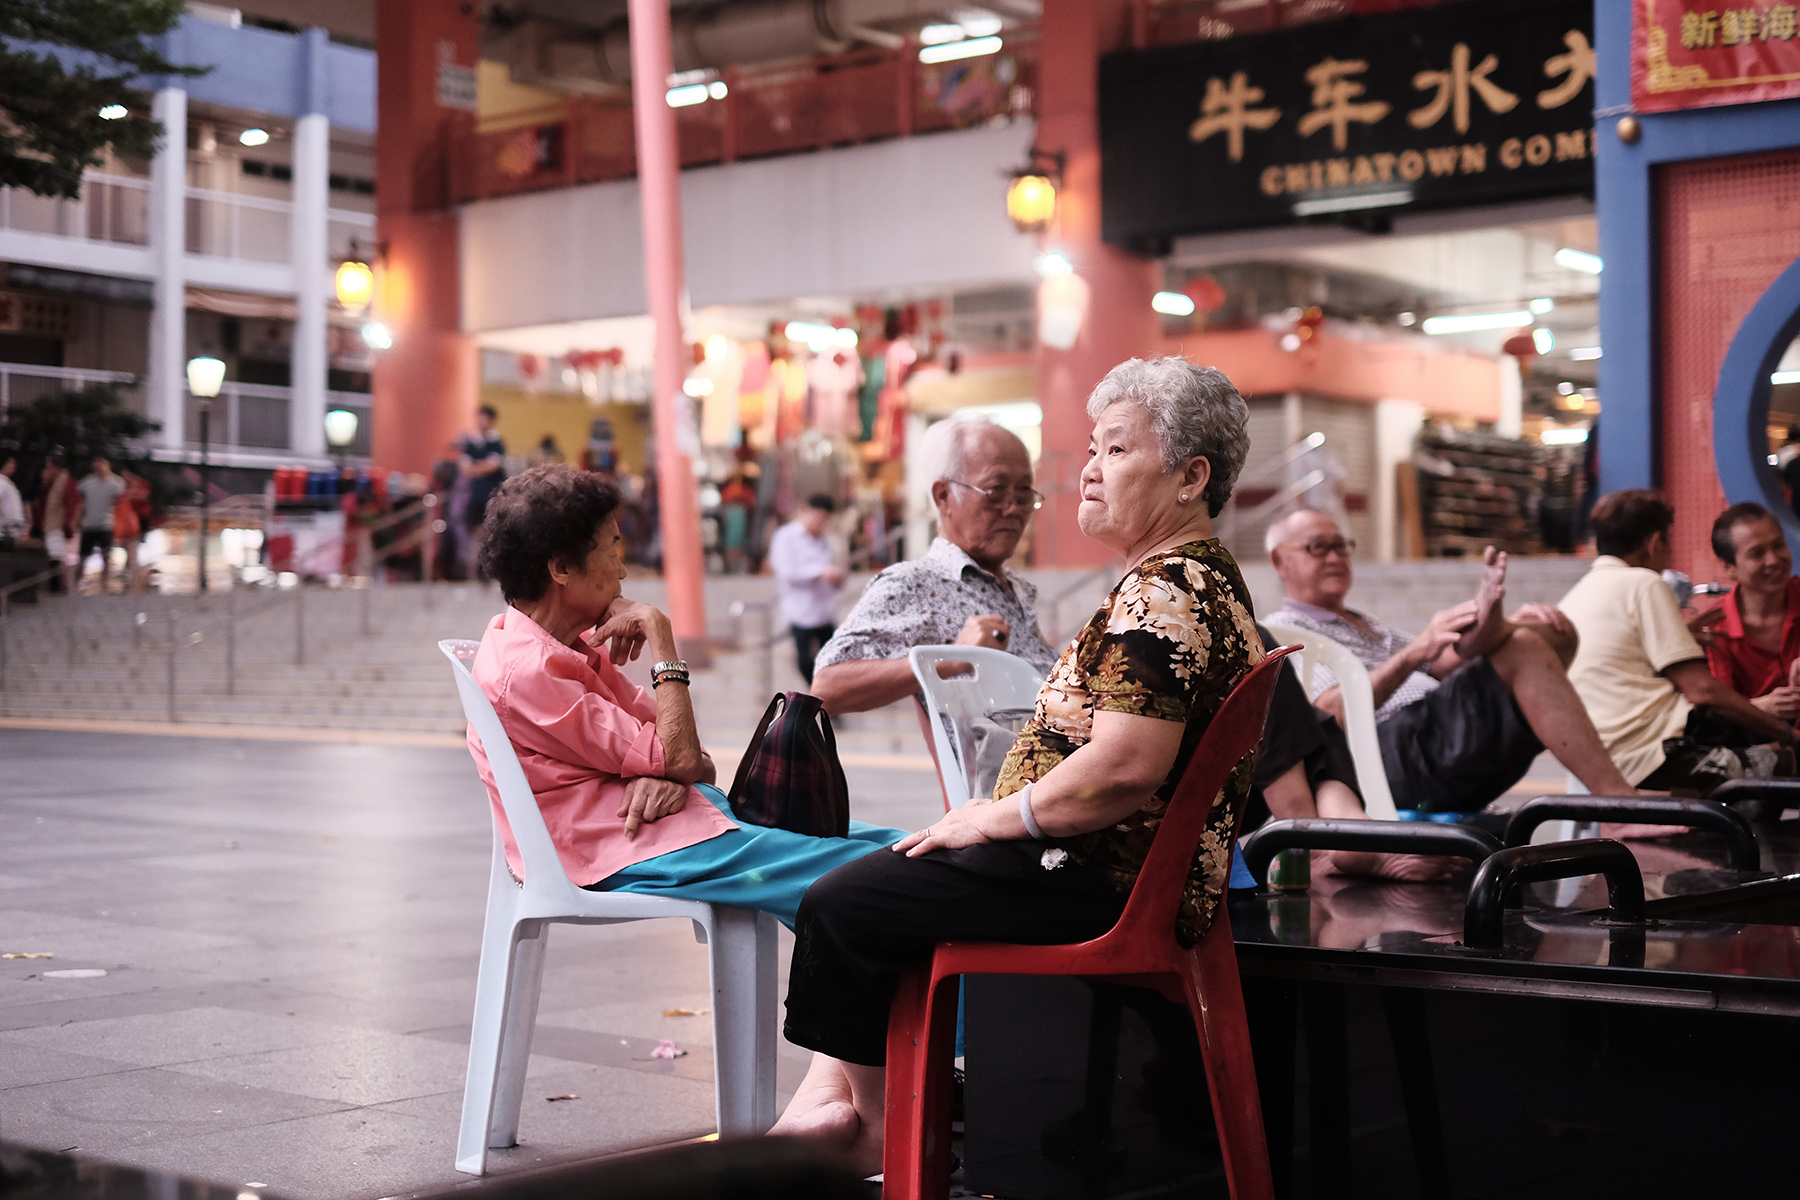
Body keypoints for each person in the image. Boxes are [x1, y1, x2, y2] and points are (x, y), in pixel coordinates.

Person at [769, 357, 1263, 1172]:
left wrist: (987, 817)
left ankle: (880, 1130)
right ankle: (844, 1107)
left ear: (1190, 477)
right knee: (882, 889)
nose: (1090, 471)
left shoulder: (1168, 589)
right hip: (1106, 862)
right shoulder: (1191, 581)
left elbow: (1121, 770)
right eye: (1093, 449)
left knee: (841, 905)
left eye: (1115, 450)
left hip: (1094, 870)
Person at [466, 464, 906, 931]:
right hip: (612, 848)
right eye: (612, 550)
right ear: (560, 568)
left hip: (669, 826)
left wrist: (670, 776)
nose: (622, 570)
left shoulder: (565, 650)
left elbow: (694, 760)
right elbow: (680, 758)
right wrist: (660, 636)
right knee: (868, 872)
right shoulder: (529, 669)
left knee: (890, 847)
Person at [1266, 508, 1640, 813]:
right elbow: (1332, 714)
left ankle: (1613, 799)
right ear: (1280, 561)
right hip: (1381, 755)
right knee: (1523, 649)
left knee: (1548, 633)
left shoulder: (1366, 623)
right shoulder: (1284, 631)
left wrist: (1495, 616)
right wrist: (1415, 652)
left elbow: (1447, 661)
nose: (1335, 557)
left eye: (1341, 547)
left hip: (1429, 736)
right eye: (1318, 548)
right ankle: (1617, 805)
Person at [810, 415, 1055, 716]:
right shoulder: (917, 582)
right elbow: (826, 687)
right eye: (995, 490)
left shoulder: (1013, 589)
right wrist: (952, 659)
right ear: (944, 496)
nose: (1014, 507)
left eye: (1024, 493)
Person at [1559, 490, 1793, 792]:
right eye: (1757, 553)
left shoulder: (1576, 596)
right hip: (1657, 757)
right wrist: (1787, 734)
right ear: (1654, 543)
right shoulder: (1643, 582)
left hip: (1603, 763)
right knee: (1786, 763)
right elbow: (1704, 691)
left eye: (1778, 546)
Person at [1702, 502, 1800, 712]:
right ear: (1730, 568)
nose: (1773, 560)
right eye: (1757, 553)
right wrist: (1759, 708)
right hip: (1756, 741)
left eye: (1778, 545)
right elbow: (1716, 709)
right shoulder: (1713, 628)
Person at [768, 494, 845, 684]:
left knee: (831, 660)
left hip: (824, 610)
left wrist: (835, 579)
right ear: (807, 512)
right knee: (805, 661)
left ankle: (827, 698)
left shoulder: (827, 541)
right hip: (799, 610)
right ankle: (819, 695)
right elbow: (786, 572)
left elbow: (836, 570)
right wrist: (819, 572)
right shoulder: (786, 536)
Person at [459, 406, 506, 569]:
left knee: (490, 531)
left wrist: (475, 467)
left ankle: (487, 567)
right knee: (474, 530)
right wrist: (482, 466)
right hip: (475, 496)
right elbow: (464, 468)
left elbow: (492, 466)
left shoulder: (496, 443)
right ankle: (475, 567)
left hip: (491, 495)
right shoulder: (472, 443)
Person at [76, 456, 125, 591]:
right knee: (83, 557)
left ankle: (104, 585)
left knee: (106, 557)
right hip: (89, 525)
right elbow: (80, 503)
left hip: (106, 525)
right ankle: (75, 585)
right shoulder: (87, 482)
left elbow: (121, 502)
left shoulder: (116, 483)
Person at [31, 455, 79, 593]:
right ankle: (62, 586)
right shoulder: (54, 483)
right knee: (56, 556)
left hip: (58, 526)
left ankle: (66, 586)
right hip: (51, 525)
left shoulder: (67, 482)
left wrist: (70, 523)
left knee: (59, 557)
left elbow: (73, 505)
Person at [0, 456, 24, 540]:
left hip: (14, 524)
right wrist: (7, 521)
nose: (13, 466)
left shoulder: (9, 482)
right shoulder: (1, 481)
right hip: (6, 526)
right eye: (10, 463)